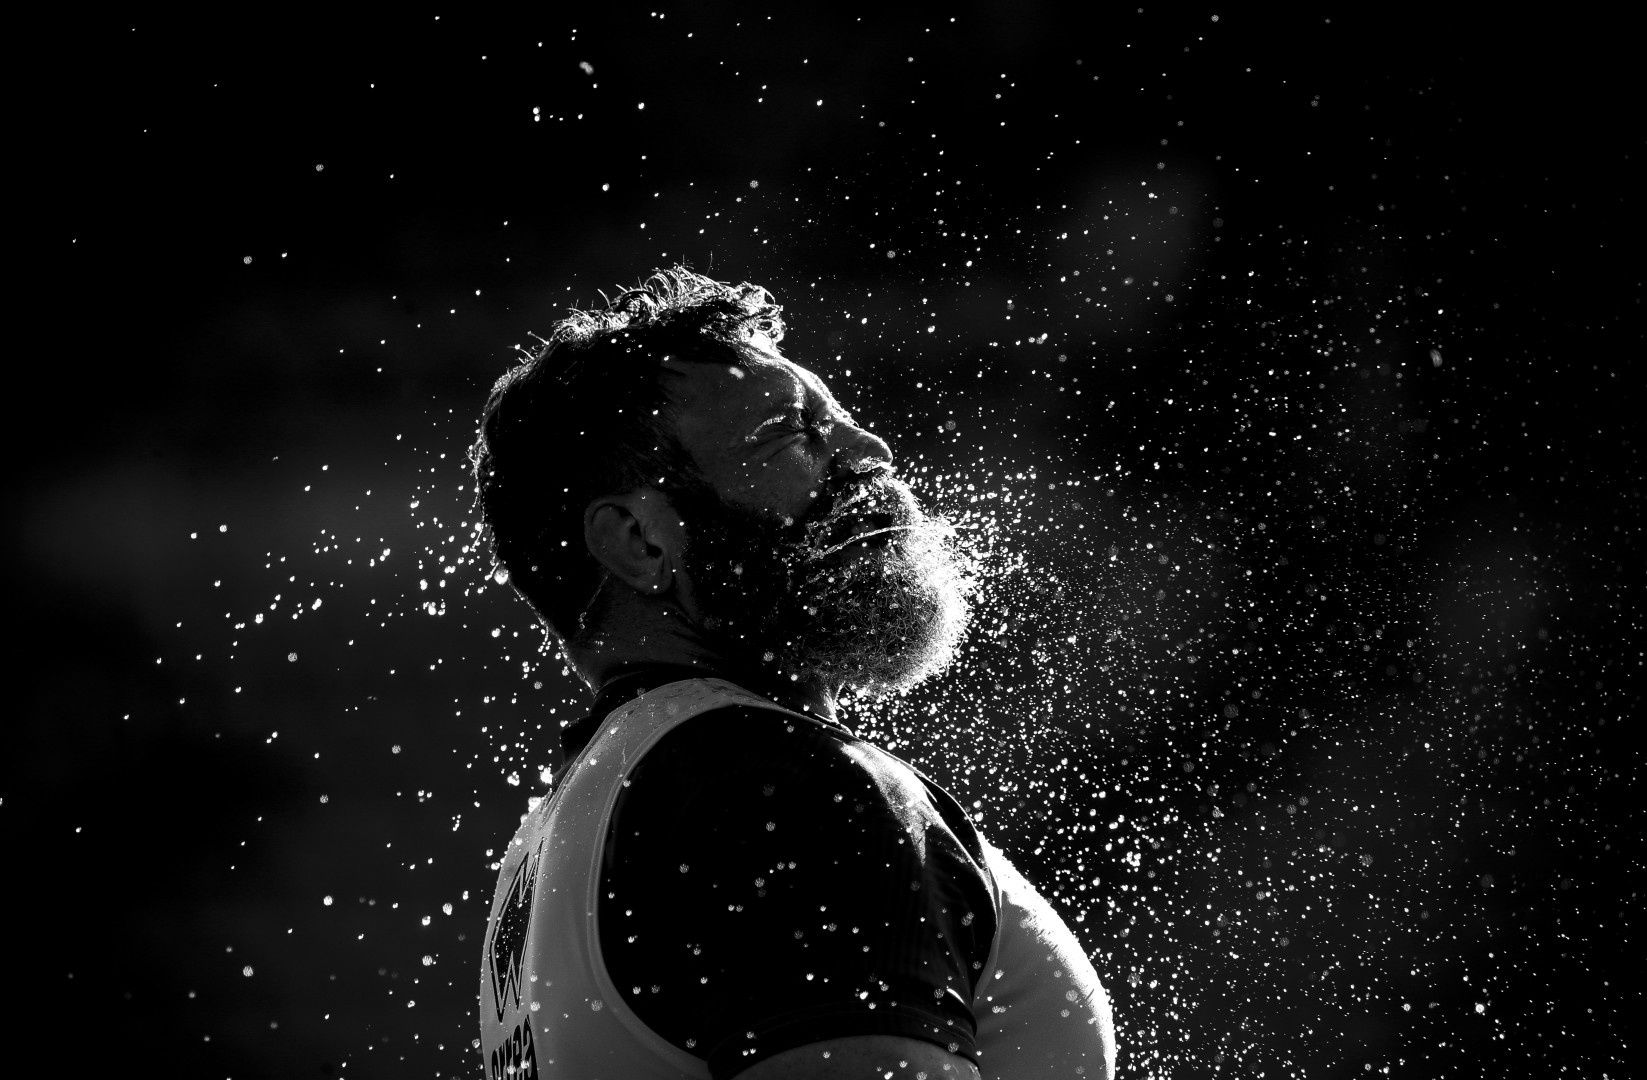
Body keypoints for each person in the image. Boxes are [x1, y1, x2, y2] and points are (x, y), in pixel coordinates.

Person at [469, 267, 1115, 1079]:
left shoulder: (588, 818)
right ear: (639, 539)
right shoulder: (778, 787)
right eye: (792, 432)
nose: (868, 450)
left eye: (841, 421)